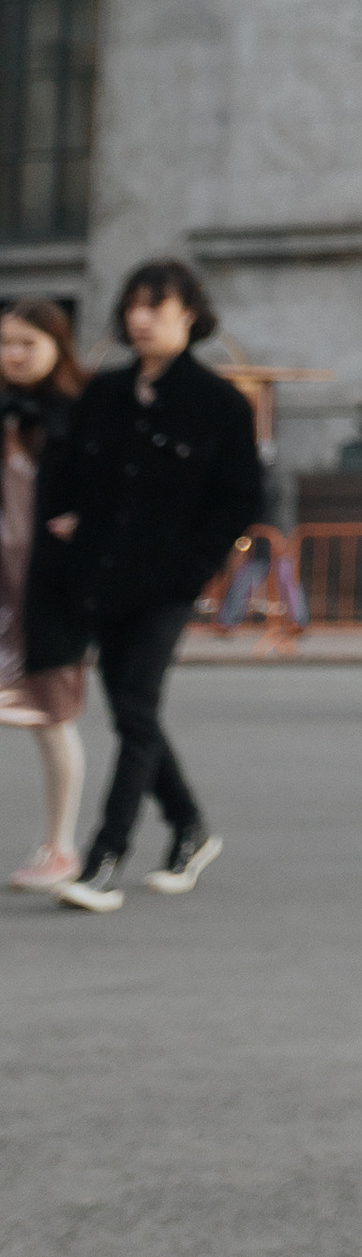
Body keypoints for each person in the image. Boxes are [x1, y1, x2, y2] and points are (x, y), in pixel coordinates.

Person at [54, 256, 263, 915]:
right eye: (133, 307)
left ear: (190, 317)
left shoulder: (219, 403)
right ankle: (191, 828)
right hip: (106, 577)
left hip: (168, 584)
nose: (139, 319)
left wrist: (194, 566)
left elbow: (239, 499)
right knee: (129, 710)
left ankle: (103, 859)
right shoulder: (104, 393)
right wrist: (68, 524)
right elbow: (69, 467)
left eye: (156, 307)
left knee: (137, 706)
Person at [0, 298, 91, 894]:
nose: (12, 354)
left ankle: (60, 846)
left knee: (52, 718)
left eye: (27, 343)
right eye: (4, 342)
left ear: (57, 347)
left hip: (49, 590)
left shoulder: (78, 417)